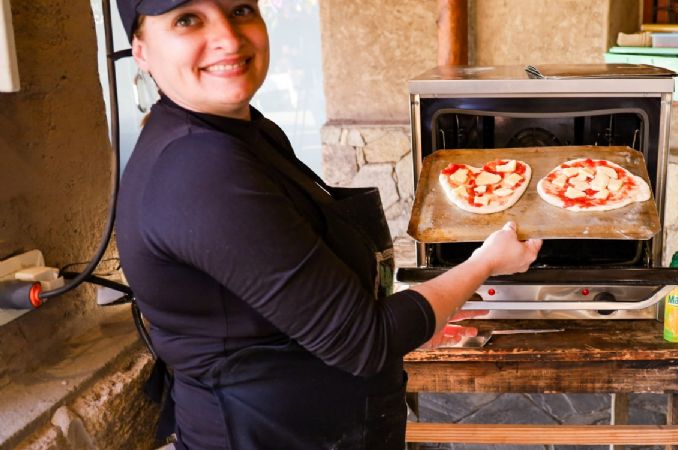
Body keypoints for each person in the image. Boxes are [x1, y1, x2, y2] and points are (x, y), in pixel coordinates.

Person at [114, 1, 543, 449]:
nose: (229, 37)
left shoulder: (236, 133)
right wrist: (486, 262)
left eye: (240, 9)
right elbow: (366, 339)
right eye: (188, 19)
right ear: (141, 50)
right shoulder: (200, 169)